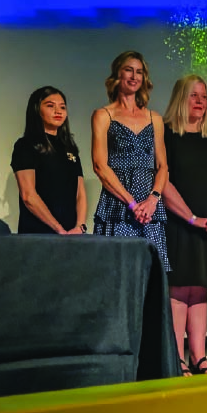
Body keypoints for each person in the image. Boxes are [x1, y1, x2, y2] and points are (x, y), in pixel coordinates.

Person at [159, 75, 207, 375]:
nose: (200, 101)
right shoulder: (166, 135)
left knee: (200, 290)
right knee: (179, 290)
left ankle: (199, 356)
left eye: (203, 96)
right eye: (193, 96)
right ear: (180, 98)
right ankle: (177, 357)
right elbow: (162, 181)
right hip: (180, 223)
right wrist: (191, 217)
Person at [90, 50, 169, 272]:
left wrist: (152, 200)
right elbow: (100, 166)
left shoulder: (155, 118)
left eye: (139, 72)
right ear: (118, 75)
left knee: (150, 276)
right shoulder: (104, 115)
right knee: (116, 272)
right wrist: (132, 203)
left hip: (150, 211)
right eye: (128, 70)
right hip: (118, 206)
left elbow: (163, 167)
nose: (134, 76)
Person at [11, 86, 88, 234]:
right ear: (36, 109)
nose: (58, 111)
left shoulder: (69, 147)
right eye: (50, 106)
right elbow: (28, 195)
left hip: (71, 235)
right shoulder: (26, 145)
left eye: (62, 107)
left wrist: (80, 227)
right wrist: (58, 229)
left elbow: (80, 193)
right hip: (38, 235)